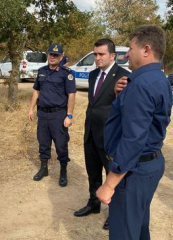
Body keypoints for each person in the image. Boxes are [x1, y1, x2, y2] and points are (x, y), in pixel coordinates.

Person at [96, 25, 172, 240]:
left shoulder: (141, 85)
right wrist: (122, 94)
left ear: (146, 50)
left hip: (134, 170)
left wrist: (109, 184)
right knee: (138, 226)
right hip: (149, 165)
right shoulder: (158, 79)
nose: (127, 53)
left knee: (124, 232)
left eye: (130, 48)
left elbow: (133, 140)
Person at [73, 38, 129, 230]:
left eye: (101, 54)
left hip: (110, 135)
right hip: (91, 131)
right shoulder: (93, 74)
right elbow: (94, 104)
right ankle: (93, 204)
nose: (96, 58)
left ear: (112, 55)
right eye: (95, 54)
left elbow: (125, 108)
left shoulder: (123, 76)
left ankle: (114, 212)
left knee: (111, 174)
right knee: (92, 171)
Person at [28, 44, 76, 187]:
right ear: (47, 55)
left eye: (56, 55)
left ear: (61, 56)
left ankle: (63, 171)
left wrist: (70, 116)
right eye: (50, 54)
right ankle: (44, 169)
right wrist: (31, 108)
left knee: (61, 144)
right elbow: (36, 91)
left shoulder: (66, 73)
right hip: (42, 114)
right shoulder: (41, 71)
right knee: (43, 142)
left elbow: (71, 95)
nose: (52, 57)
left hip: (58, 114)